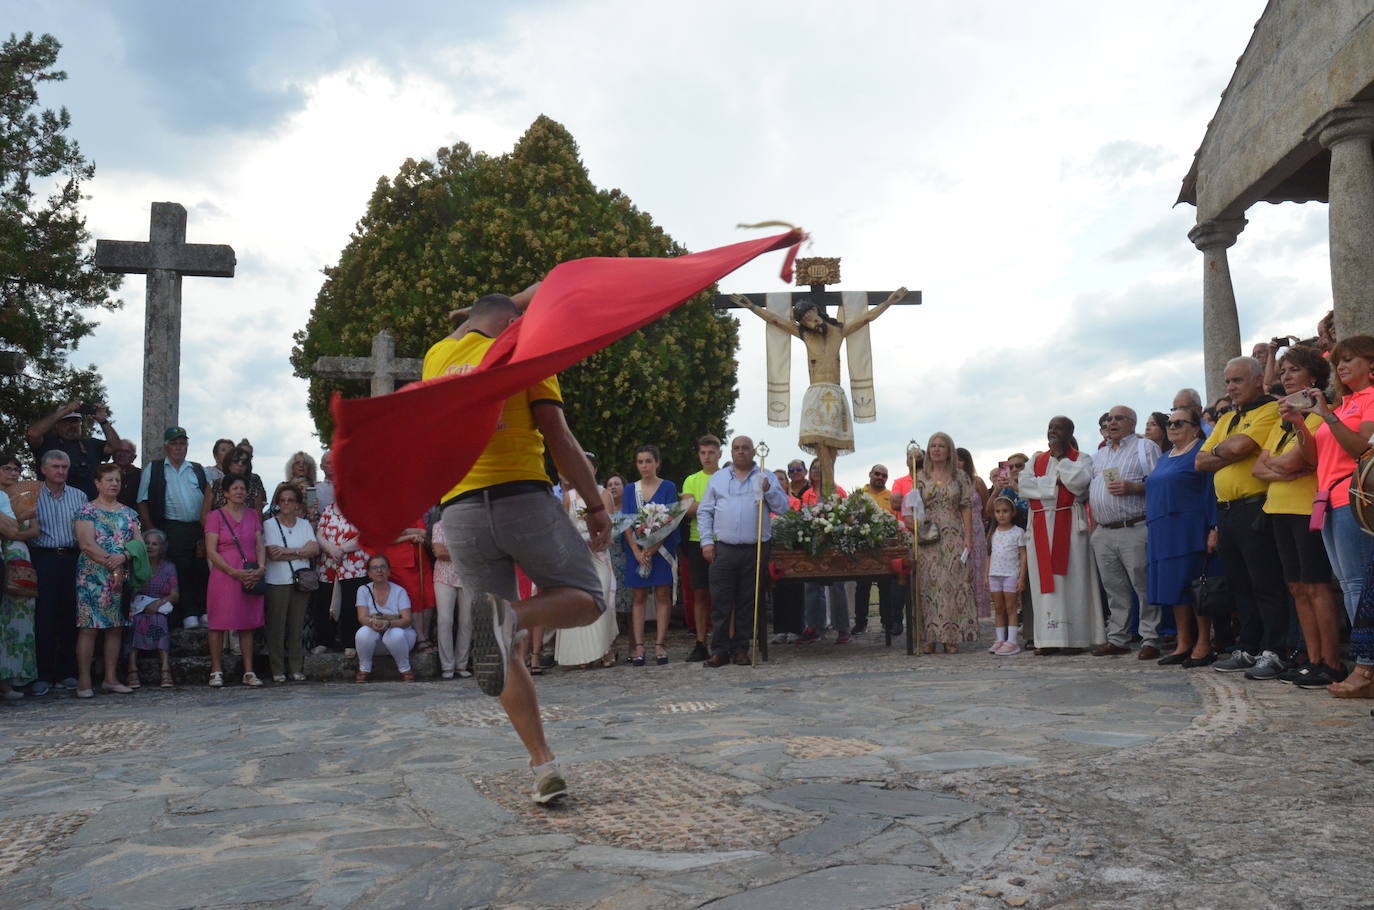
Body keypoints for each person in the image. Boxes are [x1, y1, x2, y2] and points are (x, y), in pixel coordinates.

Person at [429, 290, 612, 806]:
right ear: (515, 321)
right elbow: (558, 437)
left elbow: (490, 312)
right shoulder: (527, 350)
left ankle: (543, 765)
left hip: (459, 510)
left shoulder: (438, 357)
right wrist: (596, 506)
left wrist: (471, 318)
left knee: (502, 649)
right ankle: (509, 616)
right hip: (519, 497)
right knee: (586, 595)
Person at [1196, 356, 1287, 676]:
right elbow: (1200, 461)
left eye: (1237, 381)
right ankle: (1248, 646)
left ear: (1258, 379)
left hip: (1255, 505)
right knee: (1240, 584)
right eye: (1227, 382)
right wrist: (1229, 450)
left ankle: (1274, 649)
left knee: (1265, 581)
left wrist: (1224, 451)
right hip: (1227, 510)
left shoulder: (1269, 409)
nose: (1230, 388)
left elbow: (1238, 448)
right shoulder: (1226, 419)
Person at [1260, 346, 1343, 685]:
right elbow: (1258, 467)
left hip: (1307, 508)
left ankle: (1332, 662)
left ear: (1313, 375)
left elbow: (1303, 461)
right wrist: (1284, 468)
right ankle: (1312, 657)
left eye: (1293, 370)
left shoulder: (1319, 411)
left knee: (1317, 586)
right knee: (1296, 586)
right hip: (1278, 508)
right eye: (1282, 372)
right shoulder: (1283, 417)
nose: (1286, 377)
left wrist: (1282, 466)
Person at [1290, 335, 1374, 633]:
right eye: (1337, 361)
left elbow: (1362, 450)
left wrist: (1327, 416)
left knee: (1357, 584)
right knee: (1349, 583)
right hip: (1328, 499)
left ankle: (1366, 662)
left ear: (1371, 363)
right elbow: (1314, 458)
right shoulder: (1341, 405)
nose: (1340, 366)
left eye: (1349, 359)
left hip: (1354, 498)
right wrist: (1300, 423)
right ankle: (1364, 662)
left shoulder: (1372, 397)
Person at [698, 435, 790, 666]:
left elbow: (783, 507)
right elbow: (705, 511)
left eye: (745, 448)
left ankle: (741, 649)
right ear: (730, 451)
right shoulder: (718, 478)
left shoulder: (764, 475)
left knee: (748, 602)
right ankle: (719, 650)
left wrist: (769, 491)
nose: (740, 452)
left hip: (755, 548)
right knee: (720, 601)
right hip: (724, 549)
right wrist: (707, 542)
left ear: (753, 452)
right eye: (736, 448)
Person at [1021, 417, 1104, 654]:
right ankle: (1047, 640)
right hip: (1039, 526)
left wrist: (1060, 465)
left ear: (1070, 432)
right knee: (1043, 584)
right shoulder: (1036, 459)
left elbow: (1078, 484)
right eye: (1050, 428)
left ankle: (1074, 639)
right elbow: (1024, 485)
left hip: (1069, 526)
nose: (1052, 432)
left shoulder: (1082, 458)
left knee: (1073, 580)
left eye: (1058, 428)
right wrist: (1055, 483)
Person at [1146, 408, 1218, 667]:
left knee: (1195, 586)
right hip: (1163, 531)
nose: (1172, 426)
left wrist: (1214, 527)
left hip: (1190, 528)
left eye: (1179, 422)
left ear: (1195, 427)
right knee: (1175, 588)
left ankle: (1203, 643)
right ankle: (1183, 641)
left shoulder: (1202, 451)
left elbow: (1211, 490)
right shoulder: (1165, 457)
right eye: (1169, 422)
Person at [1088, 406, 1161, 659]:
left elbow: (1159, 482)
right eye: (1108, 418)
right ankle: (1118, 637)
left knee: (1143, 585)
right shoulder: (1099, 455)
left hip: (1133, 527)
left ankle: (1150, 637)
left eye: (1118, 418)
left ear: (1132, 422)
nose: (1111, 422)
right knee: (1114, 588)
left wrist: (1134, 487)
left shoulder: (1145, 448)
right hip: (1104, 531)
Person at [72, 463, 140, 698]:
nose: (114, 484)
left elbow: (138, 544)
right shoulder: (86, 511)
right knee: (89, 627)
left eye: (117, 480)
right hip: (93, 574)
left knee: (115, 627)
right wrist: (112, 564)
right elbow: (86, 544)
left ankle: (111, 679)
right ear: (97, 483)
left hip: (120, 575)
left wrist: (122, 557)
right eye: (109, 480)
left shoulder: (130, 514)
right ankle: (84, 681)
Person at [908, 432, 977, 652]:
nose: (936, 449)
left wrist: (968, 537)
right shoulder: (919, 477)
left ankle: (951, 636)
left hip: (953, 532)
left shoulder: (960, 477)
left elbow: (966, 506)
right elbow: (913, 507)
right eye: (932, 446)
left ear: (949, 450)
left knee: (953, 582)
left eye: (941, 446)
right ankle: (929, 636)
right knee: (929, 584)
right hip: (928, 534)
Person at [136, 427, 209, 629]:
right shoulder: (155, 468)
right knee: (180, 570)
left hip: (198, 526)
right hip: (171, 527)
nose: (179, 448)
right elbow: (142, 500)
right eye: (174, 444)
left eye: (182, 443)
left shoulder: (197, 468)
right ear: (167, 446)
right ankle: (188, 615)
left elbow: (209, 499)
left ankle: (204, 611)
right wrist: (152, 530)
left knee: (201, 568)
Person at [30, 450, 87, 694]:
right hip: (42, 559)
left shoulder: (79, 496)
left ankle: (66, 673)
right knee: (43, 617)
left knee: (69, 615)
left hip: (73, 558)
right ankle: (43, 674)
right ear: (43, 469)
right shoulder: (31, 496)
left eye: (64, 467)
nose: (61, 471)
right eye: (55, 466)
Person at [204, 474, 266, 688]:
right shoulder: (215, 516)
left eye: (243, 488)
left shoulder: (252, 515)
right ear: (227, 492)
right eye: (235, 488)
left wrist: (261, 568)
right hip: (224, 574)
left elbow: (259, 544)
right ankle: (216, 670)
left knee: (247, 623)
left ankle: (248, 671)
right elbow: (211, 551)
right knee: (218, 623)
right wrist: (233, 571)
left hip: (249, 573)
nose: (240, 491)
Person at [555, 462, 619, 669]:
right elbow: (565, 528)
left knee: (603, 599)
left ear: (594, 470)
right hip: (579, 557)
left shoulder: (603, 494)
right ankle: (584, 653)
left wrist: (600, 540)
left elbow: (609, 525)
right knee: (581, 602)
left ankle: (605, 649)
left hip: (599, 554)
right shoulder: (569, 497)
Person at [621, 444, 680, 667]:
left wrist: (654, 548)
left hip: (661, 550)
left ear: (657, 463)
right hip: (637, 551)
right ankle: (638, 646)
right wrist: (637, 551)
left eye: (648, 461)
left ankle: (659, 644)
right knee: (639, 597)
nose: (644, 466)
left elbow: (671, 520)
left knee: (663, 595)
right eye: (640, 462)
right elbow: (626, 521)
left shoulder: (668, 487)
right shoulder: (630, 490)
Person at [263, 482, 320, 683]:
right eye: (283, 500)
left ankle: (296, 668)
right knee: (276, 627)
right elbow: (273, 554)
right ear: (278, 503)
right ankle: (277, 669)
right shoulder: (269, 524)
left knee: (297, 627)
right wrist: (299, 552)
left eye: (291, 500)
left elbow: (314, 549)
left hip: (301, 581)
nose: (287, 504)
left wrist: (289, 551)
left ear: (297, 504)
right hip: (277, 581)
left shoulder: (304, 524)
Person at [679, 435, 722, 662]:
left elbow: (699, 506)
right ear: (699, 454)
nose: (707, 457)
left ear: (719, 454)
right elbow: (687, 508)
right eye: (703, 453)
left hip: (723, 540)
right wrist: (716, 505)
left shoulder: (727, 477)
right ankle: (700, 642)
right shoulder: (691, 480)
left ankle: (725, 641)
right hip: (697, 541)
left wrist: (702, 505)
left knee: (724, 594)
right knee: (700, 593)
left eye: (711, 452)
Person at [26, 400, 123, 499]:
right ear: (57, 425)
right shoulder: (47, 442)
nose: (72, 425)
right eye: (67, 422)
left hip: (89, 507)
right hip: (53, 505)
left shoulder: (91, 444)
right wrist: (65, 411)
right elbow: (33, 433)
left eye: (76, 421)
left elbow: (116, 446)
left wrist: (103, 421)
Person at [798, 457, 849, 643]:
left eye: (821, 468)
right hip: (813, 544)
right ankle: (814, 627)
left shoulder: (838, 491)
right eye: (814, 468)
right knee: (811, 585)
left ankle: (842, 627)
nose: (816, 471)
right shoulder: (807, 495)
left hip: (834, 543)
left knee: (837, 586)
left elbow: (846, 514)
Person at [0, 454, 39, 697]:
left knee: (20, 620)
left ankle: (12, 679)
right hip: (6, 555)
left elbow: (33, 530)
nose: (13, 473)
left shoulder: (26, 496)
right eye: (7, 468)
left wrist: (12, 535)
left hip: (18, 555)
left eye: (16, 469)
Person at [314, 501, 370, 653]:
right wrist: (331, 549)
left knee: (350, 604)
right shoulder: (328, 509)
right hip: (329, 565)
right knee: (325, 603)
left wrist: (342, 549)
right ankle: (325, 641)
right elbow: (320, 534)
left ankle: (350, 643)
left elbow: (366, 534)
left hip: (354, 566)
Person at [126, 529, 177, 689]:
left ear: (162, 547)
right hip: (138, 606)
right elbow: (130, 591)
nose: (150, 547)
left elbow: (175, 595)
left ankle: (165, 667)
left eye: (155, 544)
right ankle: (131, 667)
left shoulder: (169, 567)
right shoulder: (135, 565)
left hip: (159, 605)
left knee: (159, 619)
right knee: (135, 620)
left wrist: (158, 603)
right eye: (147, 543)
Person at [353, 554, 416, 682]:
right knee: (362, 633)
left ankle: (405, 669)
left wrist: (388, 624)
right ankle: (364, 669)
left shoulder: (400, 591)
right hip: (375, 640)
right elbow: (362, 617)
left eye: (383, 567)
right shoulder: (363, 590)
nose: (379, 570)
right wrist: (372, 622)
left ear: (389, 571)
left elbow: (407, 619)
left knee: (395, 634)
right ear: (369, 573)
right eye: (375, 568)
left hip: (402, 638)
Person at [854, 464, 897, 635]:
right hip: (864, 548)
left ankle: (887, 622)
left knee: (886, 587)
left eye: (884, 475)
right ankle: (860, 623)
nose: (880, 477)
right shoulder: (859, 495)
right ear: (870, 474)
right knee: (862, 587)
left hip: (884, 548)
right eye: (877, 474)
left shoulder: (891, 496)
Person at [383, 520, 437, 652]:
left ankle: (426, 635)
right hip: (400, 561)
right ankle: (420, 638)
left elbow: (424, 533)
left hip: (421, 558)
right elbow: (386, 537)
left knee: (429, 596)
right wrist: (410, 536)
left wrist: (407, 531)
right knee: (414, 598)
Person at [430, 518, 471, 679]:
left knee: (467, 621)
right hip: (444, 576)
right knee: (445, 620)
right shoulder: (439, 526)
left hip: (468, 577)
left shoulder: (471, 524)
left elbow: (478, 551)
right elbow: (439, 553)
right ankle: (447, 666)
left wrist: (450, 552)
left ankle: (461, 665)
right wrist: (464, 553)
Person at [986, 496, 1027, 655]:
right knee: (998, 608)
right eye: (998, 512)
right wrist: (985, 575)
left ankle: (1012, 641)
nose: (1001, 515)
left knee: (1011, 607)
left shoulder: (1018, 532)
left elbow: (1023, 556)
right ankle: (1000, 639)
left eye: (1005, 511)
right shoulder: (993, 533)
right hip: (994, 574)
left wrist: (1021, 578)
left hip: (1010, 574)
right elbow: (988, 555)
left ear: (1012, 512)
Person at [957, 448, 993, 624]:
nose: (957, 463)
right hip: (957, 530)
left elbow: (987, 508)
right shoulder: (950, 483)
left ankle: (978, 612)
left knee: (977, 570)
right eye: (954, 460)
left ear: (967, 462)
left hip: (977, 530)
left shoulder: (976, 482)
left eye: (960, 460)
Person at [201, 446, 268, 521]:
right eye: (236, 460)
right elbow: (205, 516)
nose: (240, 464)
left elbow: (258, 517)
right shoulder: (213, 485)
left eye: (244, 462)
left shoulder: (254, 486)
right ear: (228, 463)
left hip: (248, 530)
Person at [603, 473, 634, 617]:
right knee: (610, 602)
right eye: (609, 485)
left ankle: (634, 639)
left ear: (624, 487)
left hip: (627, 560)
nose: (613, 487)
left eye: (617, 484)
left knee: (630, 604)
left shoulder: (631, 511)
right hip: (607, 561)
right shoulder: (601, 513)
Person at [284, 451, 320, 523]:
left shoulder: (317, 487)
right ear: (292, 467)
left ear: (310, 468)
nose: (301, 465)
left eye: (305, 463)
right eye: (297, 463)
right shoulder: (283, 487)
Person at [112, 439, 141, 511]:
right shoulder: (103, 473)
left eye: (127, 452)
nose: (122, 454)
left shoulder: (141, 475)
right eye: (119, 450)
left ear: (134, 457)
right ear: (113, 454)